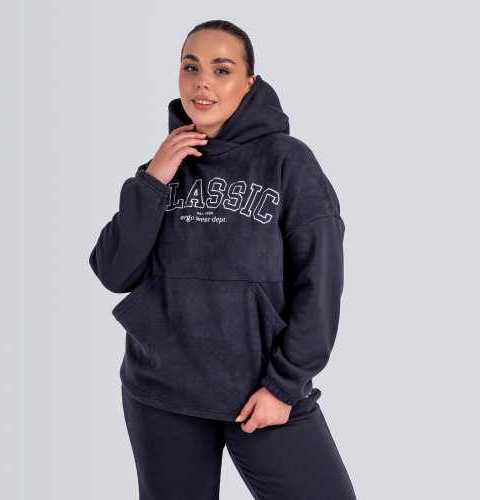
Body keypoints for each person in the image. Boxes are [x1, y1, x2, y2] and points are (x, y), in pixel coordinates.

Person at [89, 19, 357, 500]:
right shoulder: (162, 168)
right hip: (161, 392)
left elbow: (320, 282)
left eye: (221, 69)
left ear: (249, 83)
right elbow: (113, 271)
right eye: (191, 67)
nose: (202, 82)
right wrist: (152, 179)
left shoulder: (288, 162)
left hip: (260, 394)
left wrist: (285, 385)